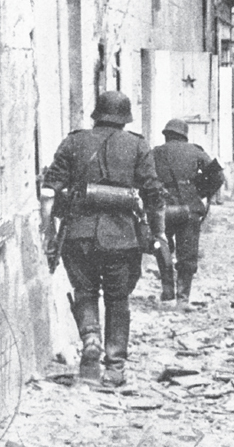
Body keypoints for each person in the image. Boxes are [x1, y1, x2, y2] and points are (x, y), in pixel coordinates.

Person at [40, 91, 165, 387]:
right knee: (117, 299)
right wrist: (157, 232)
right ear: (125, 118)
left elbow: (48, 192)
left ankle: (90, 339)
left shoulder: (73, 142)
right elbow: (154, 194)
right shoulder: (137, 145)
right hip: (122, 237)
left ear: (96, 114)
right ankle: (115, 366)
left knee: (84, 292)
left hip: (78, 234)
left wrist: (48, 232)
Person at [153, 118, 225, 311]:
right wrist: (200, 192)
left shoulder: (155, 153)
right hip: (189, 209)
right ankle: (182, 299)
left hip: (163, 209)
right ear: (184, 136)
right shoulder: (196, 151)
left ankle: (167, 290)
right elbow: (218, 176)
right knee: (187, 254)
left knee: (162, 248)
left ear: (166, 135)